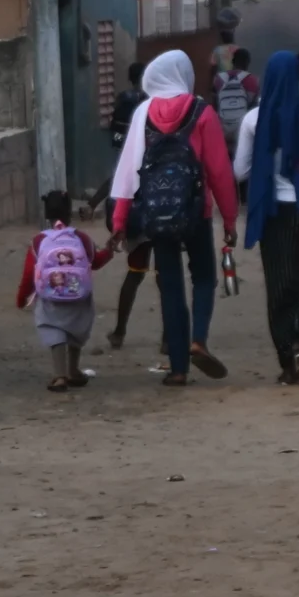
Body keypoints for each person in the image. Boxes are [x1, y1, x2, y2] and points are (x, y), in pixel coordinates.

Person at [109, 50, 238, 387]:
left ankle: (178, 369)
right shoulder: (202, 112)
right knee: (204, 277)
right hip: (195, 210)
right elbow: (220, 171)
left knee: (170, 286)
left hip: (156, 212)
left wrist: (120, 220)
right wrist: (229, 219)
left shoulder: (143, 113)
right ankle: (199, 340)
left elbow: (128, 171)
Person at [236, 50, 299, 385]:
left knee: (278, 283)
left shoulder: (253, 119)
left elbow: (240, 170)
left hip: (271, 212)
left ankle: (287, 358)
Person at [18, 190, 119, 390]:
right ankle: (73, 370)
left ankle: (59, 375)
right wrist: (109, 251)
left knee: (53, 328)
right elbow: (95, 262)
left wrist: (21, 298)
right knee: (76, 329)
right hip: (78, 297)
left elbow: (29, 273)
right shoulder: (82, 238)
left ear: (47, 214)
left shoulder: (39, 241)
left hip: (51, 298)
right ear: (69, 212)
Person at [212, 47, 258, 148]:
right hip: (242, 131)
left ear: (233, 61)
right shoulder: (252, 80)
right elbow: (253, 109)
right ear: (247, 63)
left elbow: (215, 104)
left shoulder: (218, 79)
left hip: (222, 130)